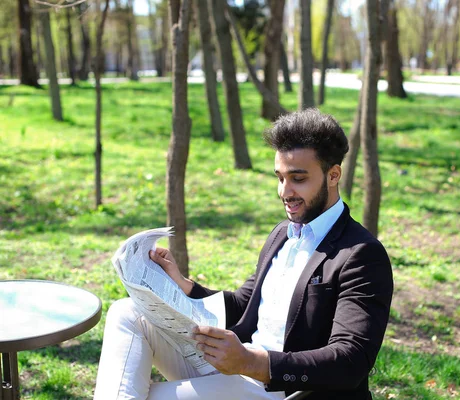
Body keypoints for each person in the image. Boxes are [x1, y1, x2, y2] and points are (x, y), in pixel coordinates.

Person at [94, 109, 393, 400]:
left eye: (298, 179)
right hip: (234, 369)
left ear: (333, 175)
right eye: (280, 177)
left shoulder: (361, 255)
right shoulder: (283, 234)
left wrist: (251, 362)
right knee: (127, 311)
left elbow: (350, 361)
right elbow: (243, 304)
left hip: (282, 389)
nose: (284, 192)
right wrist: (182, 284)